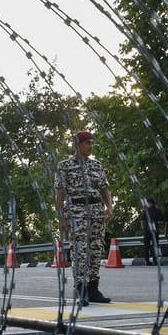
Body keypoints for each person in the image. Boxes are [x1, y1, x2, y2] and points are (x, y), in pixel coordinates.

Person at [54, 129, 114, 305]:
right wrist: (62, 218)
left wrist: (109, 207)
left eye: (92, 142)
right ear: (78, 145)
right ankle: (81, 289)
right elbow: (59, 194)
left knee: (95, 251)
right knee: (80, 252)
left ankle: (93, 289)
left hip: (96, 211)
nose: (91, 146)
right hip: (76, 212)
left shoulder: (96, 165)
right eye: (88, 142)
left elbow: (105, 189)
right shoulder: (64, 166)